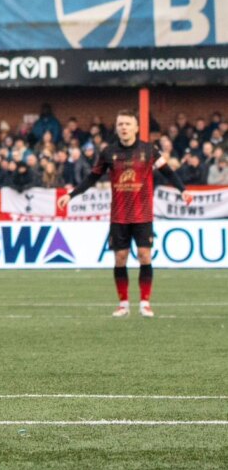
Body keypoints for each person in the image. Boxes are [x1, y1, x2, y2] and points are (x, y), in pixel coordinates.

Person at [58, 110, 193, 318]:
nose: (124, 127)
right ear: (117, 127)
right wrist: (71, 194)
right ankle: (123, 304)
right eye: (120, 124)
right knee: (120, 258)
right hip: (119, 215)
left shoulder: (149, 150)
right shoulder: (108, 152)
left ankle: (145, 303)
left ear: (136, 128)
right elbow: (92, 177)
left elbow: (168, 171)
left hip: (143, 213)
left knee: (144, 255)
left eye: (128, 124)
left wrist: (182, 190)